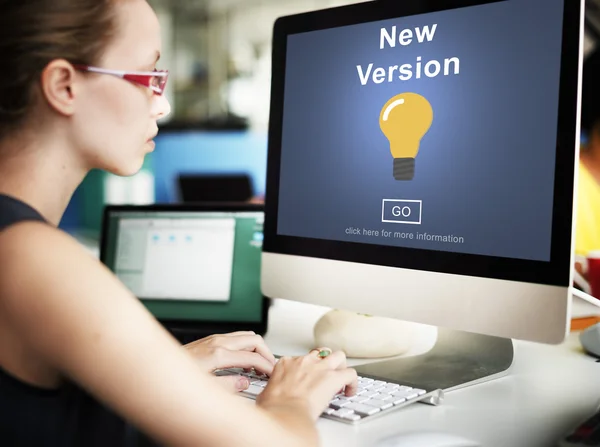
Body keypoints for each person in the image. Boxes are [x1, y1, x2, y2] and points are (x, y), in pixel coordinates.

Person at [0, 1, 357, 446]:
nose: (163, 103)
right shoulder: (35, 261)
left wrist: (160, 369)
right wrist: (291, 398)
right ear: (64, 85)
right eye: (149, 77)